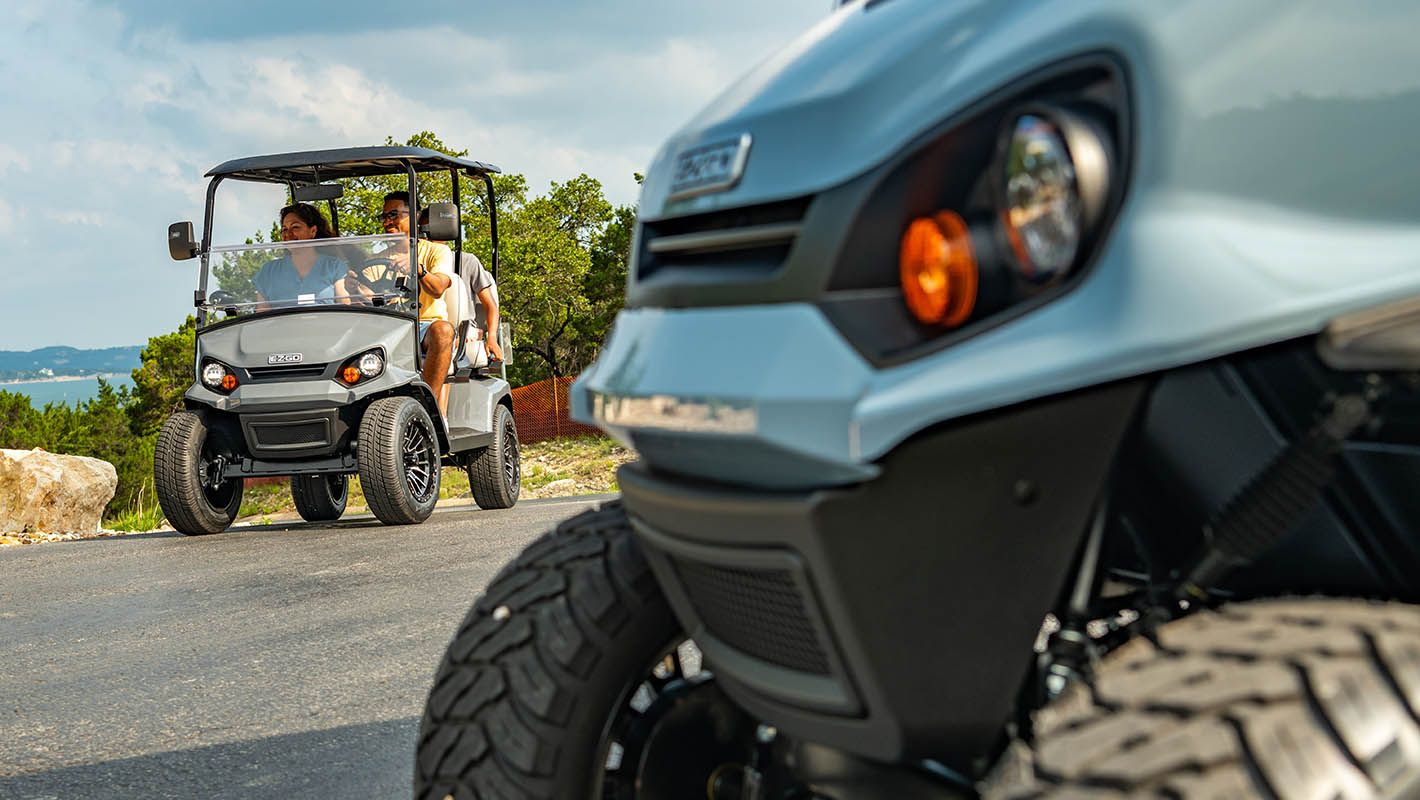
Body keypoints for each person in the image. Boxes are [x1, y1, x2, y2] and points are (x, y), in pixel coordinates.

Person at [379, 191, 457, 415]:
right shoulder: (378, 257)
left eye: (394, 215)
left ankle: (426, 410)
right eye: (384, 217)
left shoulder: (436, 251)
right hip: (388, 327)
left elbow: (438, 288)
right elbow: (367, 299)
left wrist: (419, 270)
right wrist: (355, 287)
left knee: (443, 331)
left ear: (414, 215)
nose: (388, 222)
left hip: (425, 325)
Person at [417, 207, 504, 362]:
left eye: (429, 231)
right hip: (425, 330)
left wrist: (491, 338)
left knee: (445, 338)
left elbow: (490, 306)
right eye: (421, 232)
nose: (425, 237)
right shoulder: (413, 260)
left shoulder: (467, 262)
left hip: (463, 330)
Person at [254, 204, 347, 307]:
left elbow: (345, 308)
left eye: (295, 227)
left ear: (313, 231)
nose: (288, 234)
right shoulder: (269, 271)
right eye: (284, 229)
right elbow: (262, 315)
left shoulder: (334, 266)